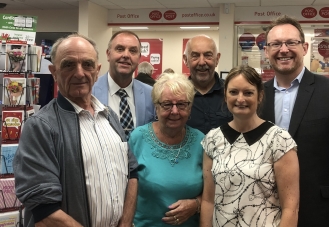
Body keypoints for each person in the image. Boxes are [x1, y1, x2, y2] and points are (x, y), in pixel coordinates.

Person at [13, 34, 138, 227]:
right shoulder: (41, 127)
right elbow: (44, 211)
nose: (79, 73)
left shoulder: (110, 116)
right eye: (69, 65)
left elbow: (132, 173)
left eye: (87, 64)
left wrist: (126, 223)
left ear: (97, 71)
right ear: (54, 72)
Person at [261, 15, 329, 227]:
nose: (283, 49)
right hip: (264, 212)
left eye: (291, 42)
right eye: (276, 44)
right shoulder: (257, 96)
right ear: (266, 51)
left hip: (319, 213)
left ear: (305, 47)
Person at [200, 65, 299, 227]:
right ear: (225, 96)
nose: (240, 99)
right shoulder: (212, 139)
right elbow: (208, 201)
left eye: (248, 93)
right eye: (233, 92)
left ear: (259, 96)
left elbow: (290, 208)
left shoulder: (279, 140)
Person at [128, 73, 205, 227]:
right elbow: (122, 189)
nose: (175, 111)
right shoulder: (138, 138)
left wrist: (197, 204)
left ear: (189, 108)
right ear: (156, 107)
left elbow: (213, 192)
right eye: (167, 105)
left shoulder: (201, 141)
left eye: (182, 104)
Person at [92, 31, 155, 137]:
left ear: (139, 58)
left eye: (133, 51)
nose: (126, 55)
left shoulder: (151, 94)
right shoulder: (90, 91)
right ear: (108, 54)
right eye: (120, 49)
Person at [183, 34, 232, 134]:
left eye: (208, 55)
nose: (201, 62)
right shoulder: (178, 97)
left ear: (217, 59)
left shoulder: (231, 93)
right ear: (186, 60)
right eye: (195, 56)